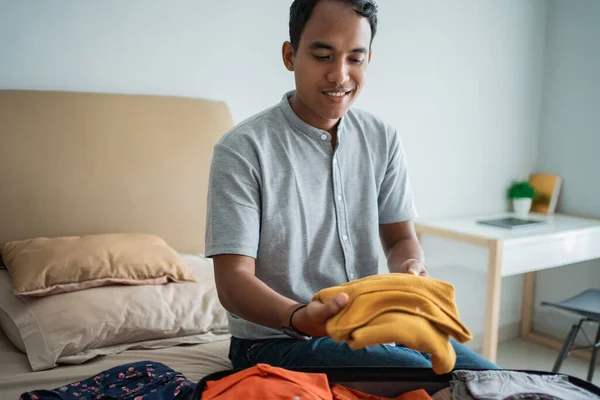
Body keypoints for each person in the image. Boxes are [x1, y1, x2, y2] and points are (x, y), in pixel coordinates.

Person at [205, 0, 498, 370]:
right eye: (323, 55)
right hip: (273, 342)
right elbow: (232, 282)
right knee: (429, 375)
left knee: (492, 378)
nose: (340, 75)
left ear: (368, 59)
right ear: (290, 55)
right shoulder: (243, 150)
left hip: (369, 330)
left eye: (355, 59)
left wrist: (410, 265)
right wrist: (298, 315)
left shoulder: (383, 138)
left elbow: (398, 238)